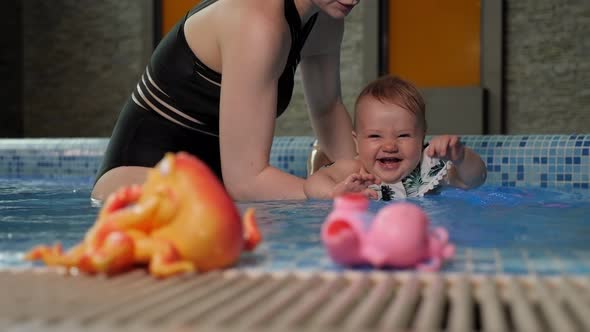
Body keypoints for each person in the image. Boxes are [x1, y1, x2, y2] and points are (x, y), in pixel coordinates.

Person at [91, 0, 359, 201]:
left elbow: (328, 109)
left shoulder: (325, 18)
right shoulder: (257, 21)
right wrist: (327, 193)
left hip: (213, 188)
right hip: (141, 182)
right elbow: (246, 182)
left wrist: (364, 178)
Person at [304, 75, 487, 200]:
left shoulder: (428, 166)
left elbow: (474, 180)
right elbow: (312, 184)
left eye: (403, 135)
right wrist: (334, 193)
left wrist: (461, 158)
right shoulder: (355, 170)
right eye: (375, 136)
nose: (390, 146)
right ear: (356, 141)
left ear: (422, 136)